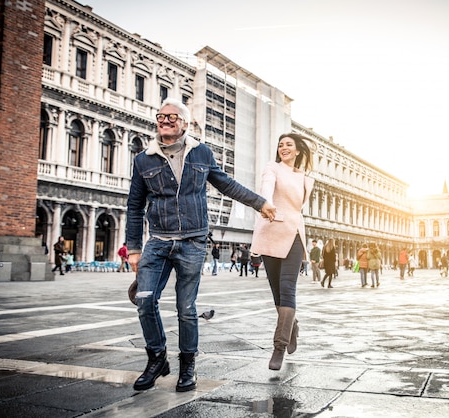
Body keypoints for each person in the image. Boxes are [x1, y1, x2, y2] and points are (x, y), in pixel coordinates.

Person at [126, 98, 276, 392]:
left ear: (184, 123)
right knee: (144, 301)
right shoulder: (144, 159)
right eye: (160, 116)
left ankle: (187, 366)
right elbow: (134, 206)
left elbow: (227, 184)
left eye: (172, 117)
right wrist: (133, 248)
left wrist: (260, 203)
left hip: (193, 242)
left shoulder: (201, 153)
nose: (165, 120)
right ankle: (156, 359)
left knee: (186, 308)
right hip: (157, 241)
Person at [250, 132, 314, 371]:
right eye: (280, 145)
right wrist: (265, 204)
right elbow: (266, 187)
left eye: (289, 145)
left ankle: (279, 346)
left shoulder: (305, 177)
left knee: (288, 287)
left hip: (294, 233)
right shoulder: (272, 168)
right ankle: (292, 324)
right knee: (277, 292)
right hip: (271, 230)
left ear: (298, 150)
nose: (284, 148)